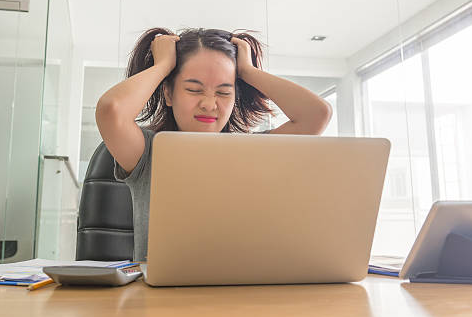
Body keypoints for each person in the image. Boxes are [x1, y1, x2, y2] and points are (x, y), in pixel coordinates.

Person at [96, 27, 332, 261]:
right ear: (168, 94)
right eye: (194, 89)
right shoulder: (147, 152)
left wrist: (248, 72)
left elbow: (317, 114)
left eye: (223, 92)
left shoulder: (254, 151)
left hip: (240, 290)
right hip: (162, 296)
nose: (209, 104)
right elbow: (112, 110)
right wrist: (163, 66)